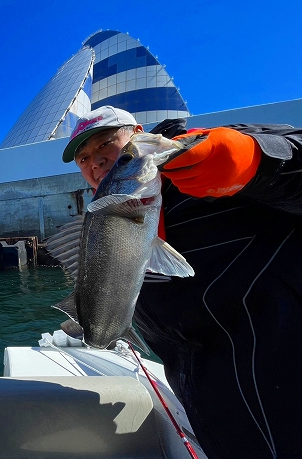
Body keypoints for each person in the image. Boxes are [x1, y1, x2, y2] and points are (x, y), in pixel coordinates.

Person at [61, 105, 302, 459]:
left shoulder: (200, 149)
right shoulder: (100, 218)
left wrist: (257, 160)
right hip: (211, 412)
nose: (95, 162)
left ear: (137, 133)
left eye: (106, 146)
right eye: (83, 158)